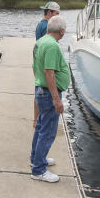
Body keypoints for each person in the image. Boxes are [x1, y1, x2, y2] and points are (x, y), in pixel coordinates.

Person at [30, 15, 70, 183]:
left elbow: (36, 66)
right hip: (48, 93)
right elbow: (49, 72)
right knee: (48, 132)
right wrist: (56, 99)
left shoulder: (41, 42)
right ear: (61, 31)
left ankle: (36, 159)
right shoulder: (52, 46)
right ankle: (38, 170)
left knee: (40, 127)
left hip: (40, 89)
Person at [33, 1, 61, 123]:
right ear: (49, 12)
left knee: (38, 88)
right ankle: (38, 119)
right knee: (42, 90)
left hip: (38, 59)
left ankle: (36, 119)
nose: (58, 16)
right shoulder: (47, 27)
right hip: (44, 62)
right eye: (56, 13)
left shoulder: (40, 24)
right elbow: (48, 45)